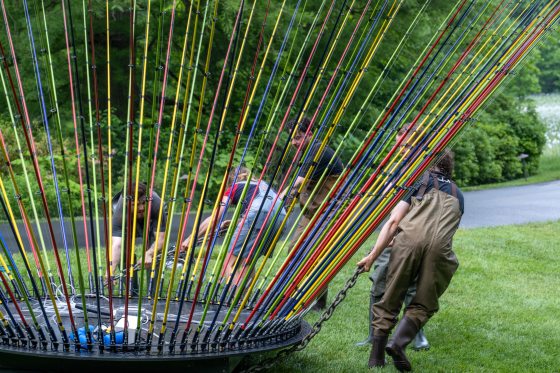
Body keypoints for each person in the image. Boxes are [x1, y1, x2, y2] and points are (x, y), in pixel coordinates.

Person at [357, 149, 464, 371]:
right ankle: (398, 343)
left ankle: (376, 358)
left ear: (429, 163)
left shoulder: (417, 182)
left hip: (407, 242)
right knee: (424, 302)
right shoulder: (458, 193)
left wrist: (372, 255)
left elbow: (394, 221)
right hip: (440, 250)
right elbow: (442, 229)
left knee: (391, 295)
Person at [356, 124, 429, 350]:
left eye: (406, 144)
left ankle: (417, 335)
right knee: (379, 280)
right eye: (399, 144)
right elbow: (388, 201)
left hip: (414, 234)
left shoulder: (427, 170)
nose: (402, 149)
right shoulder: (398, 169)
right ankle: (373, 333)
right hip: (391, 233)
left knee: (412, 285)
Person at [279, 117, 344, 310]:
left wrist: (280, 196)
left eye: (298, 138)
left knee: (312, 253)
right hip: (311, 212)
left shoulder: (318, 150)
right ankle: (297, 295)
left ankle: (316, 300)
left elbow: (299, 181)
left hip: (328, 212)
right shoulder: (307, 151)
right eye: (291, 139)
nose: (294, 143)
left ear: (310, 133)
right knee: (295, 249)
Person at [181, 167, 286, 283]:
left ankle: (234, 297)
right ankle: (242, 300)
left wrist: (190, 239)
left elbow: (215, 217)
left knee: (229, 264)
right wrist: (235, 222)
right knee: (248, 262)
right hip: (281, 216)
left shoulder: (235, 187)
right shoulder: (263, 185)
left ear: (231, 179)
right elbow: (266, 209)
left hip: (258, 214)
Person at [110, 181, 167, 294]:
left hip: (152, 218)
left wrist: (149, 253)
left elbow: (160, 239)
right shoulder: (119, 213)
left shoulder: (156, 204)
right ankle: (132, 291)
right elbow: (117, 245)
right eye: (135, 204)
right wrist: (111, 270)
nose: (141, 208)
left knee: (155, 253)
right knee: (125, 253)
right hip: (129, 219)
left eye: (143, 203)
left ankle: (153, 292)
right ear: (127, 203)